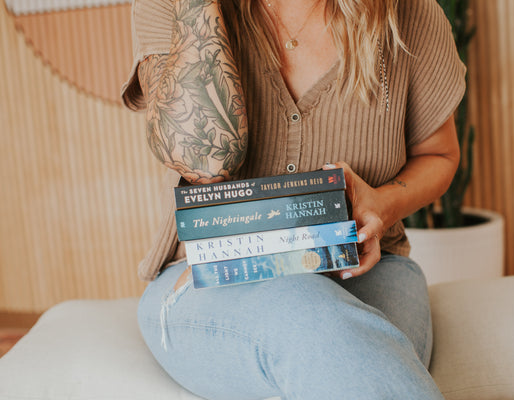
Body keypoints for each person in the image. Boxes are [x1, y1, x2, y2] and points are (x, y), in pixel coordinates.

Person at [122, 0, 465, 398]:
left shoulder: (409, 14)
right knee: (305, 313)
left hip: (365, 272)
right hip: (209, 279)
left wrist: (382, 204)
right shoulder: (167, 5)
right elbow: (205, 161)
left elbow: (438, 155)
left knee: (346, 362)